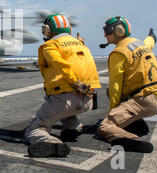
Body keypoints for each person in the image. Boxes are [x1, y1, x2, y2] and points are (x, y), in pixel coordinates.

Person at [25, 14, 101, 157]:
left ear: (48, 29)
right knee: (63, 112)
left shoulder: (49, 46)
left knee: (34, 129)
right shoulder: (81, 45)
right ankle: (73, 128)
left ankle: (52, 144)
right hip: (88, 99)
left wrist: (75, 82)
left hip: (66, 99)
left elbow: (62, 65)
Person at [97, 16, 157, 153]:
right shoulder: (140, 44)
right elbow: (149, 42)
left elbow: (116, 86)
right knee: (109, 91)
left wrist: (113, 112)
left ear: (119, 31)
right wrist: (151, 37)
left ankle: (133, 139)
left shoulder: (119, 53)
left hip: (142, 100)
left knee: (104, 127)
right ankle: (135, 123)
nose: (105, 34)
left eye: (107, 31)